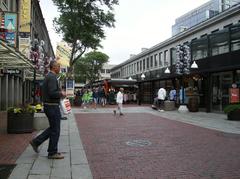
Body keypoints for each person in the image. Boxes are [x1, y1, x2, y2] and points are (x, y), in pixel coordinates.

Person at [29, 60, 66, 159]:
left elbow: (51, 92)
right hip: (52, 106)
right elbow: (52, 93)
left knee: (53, 128)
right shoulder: (52, 77)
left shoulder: (49, 77)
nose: (59, 68)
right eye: (58, 66)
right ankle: (52, 152)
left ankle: (36, 142)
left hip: (50, 106)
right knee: (56, 130)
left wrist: (59, 94)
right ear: (54, 67)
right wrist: (61, 93)